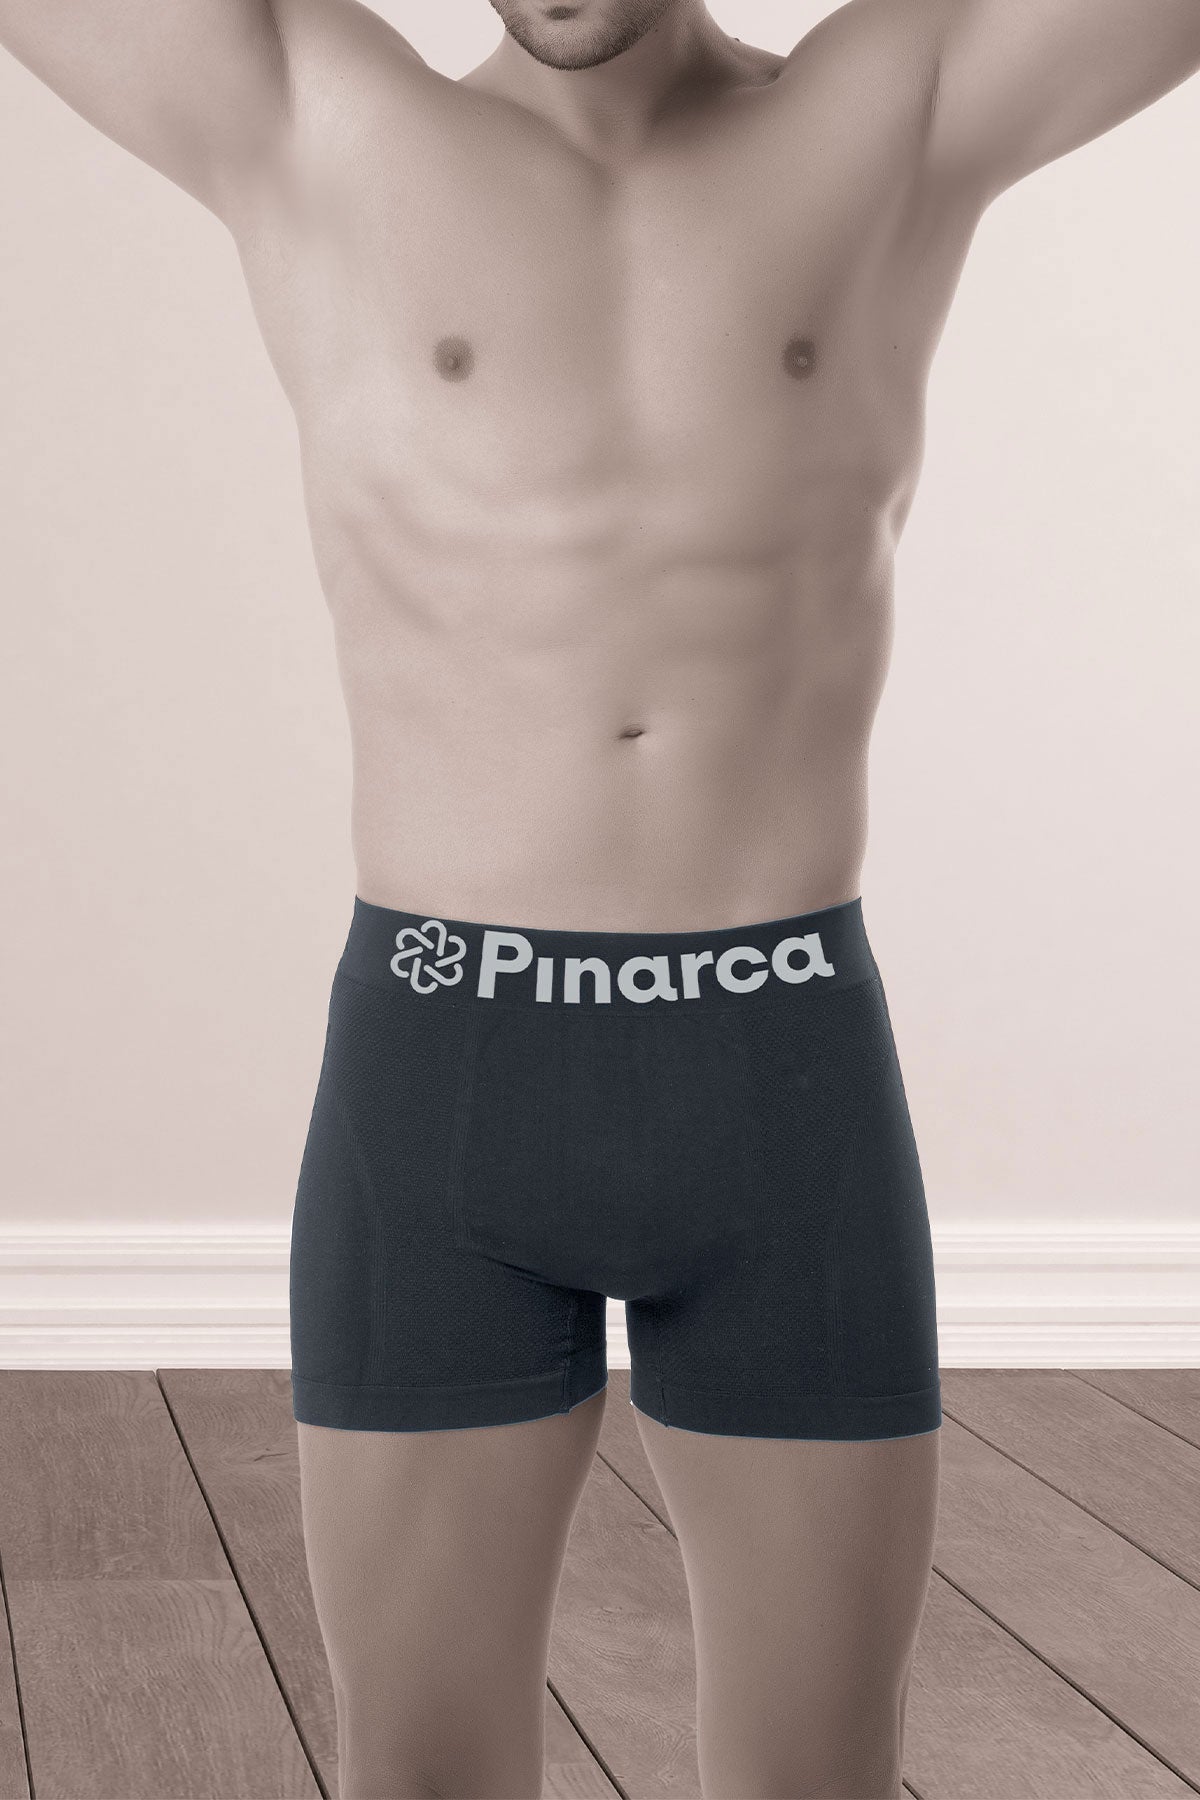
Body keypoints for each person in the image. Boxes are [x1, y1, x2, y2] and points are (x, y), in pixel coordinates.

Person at [4, 1, 1198, 1794]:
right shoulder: (315, 112)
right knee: (419, 1772)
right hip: (443, 1082)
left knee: (816, 1777)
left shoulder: (889, 111)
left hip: (780, 1082)